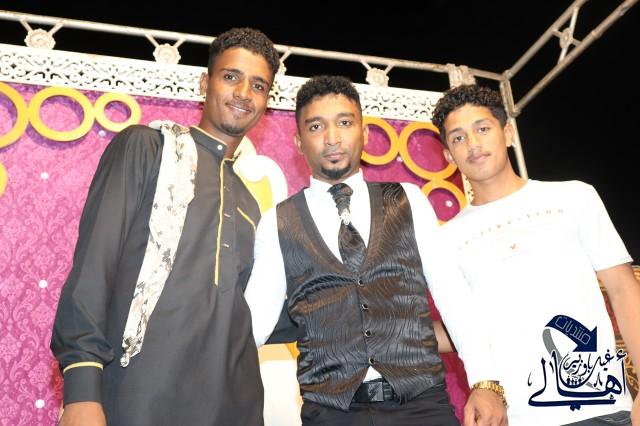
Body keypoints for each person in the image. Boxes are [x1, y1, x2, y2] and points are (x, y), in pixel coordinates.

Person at [245, 75, 507, 426]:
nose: (332, 138)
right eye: (316, 126)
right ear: (298, 142)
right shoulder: (277, 222)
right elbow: (252, 325)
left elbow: (452, 294)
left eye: (344, 123)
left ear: (365, 133)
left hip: (422, 404)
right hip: (331, 413)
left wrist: (486, 381)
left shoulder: (408, 199)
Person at [50, 27, 280, 426]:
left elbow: (251, 312)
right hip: (138, 396)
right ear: (205, 83)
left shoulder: (251, 204)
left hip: (232, 408)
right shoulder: (148, 148)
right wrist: (82, 388)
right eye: (231, 76)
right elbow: (95, 265)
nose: (244, 92)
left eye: (258, 85)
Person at [432, 83, 640, 426]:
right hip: (517, 416)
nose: (473, 144)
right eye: (458, 138)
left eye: (482, 129)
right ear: (448, 155)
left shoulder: (574, 198)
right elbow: (463, 330)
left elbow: (622, 289)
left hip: (600, 405)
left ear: (507, 133)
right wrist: (381, 333)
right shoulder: (445, 239)